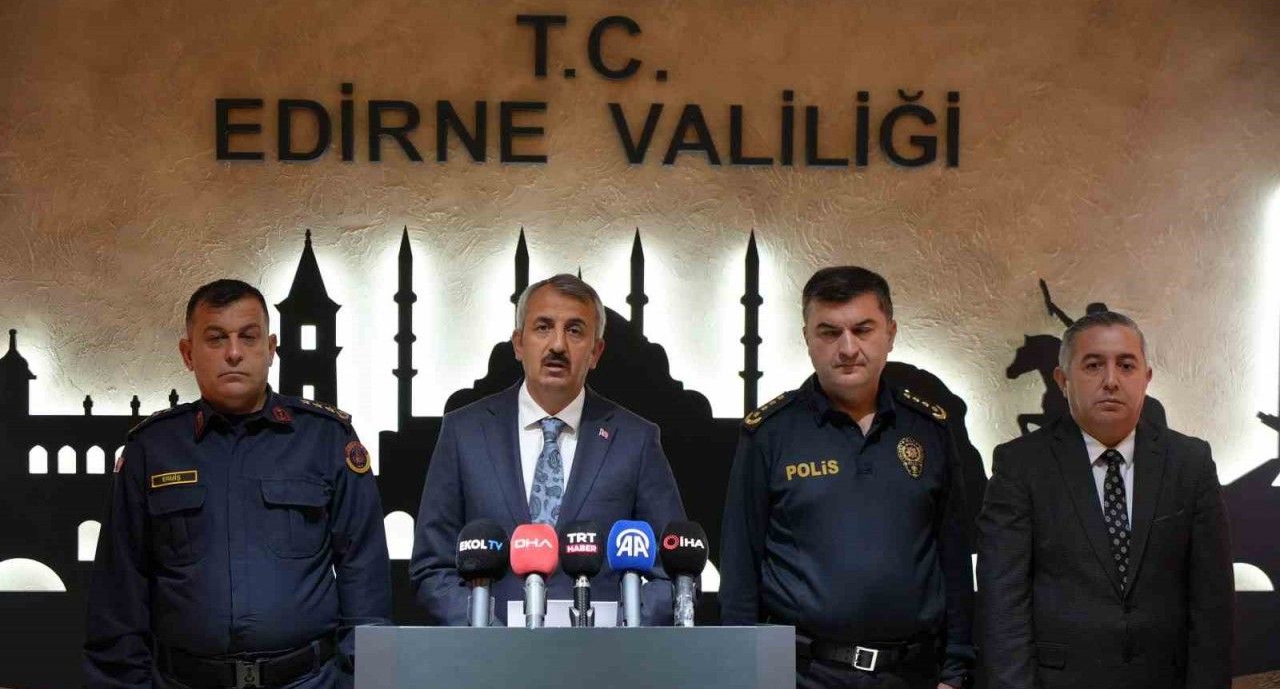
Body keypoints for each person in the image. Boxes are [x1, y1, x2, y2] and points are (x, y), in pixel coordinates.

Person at [84, 279, 391, 688]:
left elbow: (364, 579)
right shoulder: (152, 449)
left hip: (308, 681)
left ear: (271, 348)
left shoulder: (325, 439)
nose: (233, 352)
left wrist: (361, 680)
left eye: (249, 337)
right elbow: (119, 592)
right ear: (188, 354)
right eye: (216, 339)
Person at [720, 266, 974, 689]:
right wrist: (745, 674)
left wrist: (956, 671)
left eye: (862, 329)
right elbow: (740, 567)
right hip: (803, 675)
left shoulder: (929, 430)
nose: (847, 347)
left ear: (890, 333)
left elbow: (954, 559)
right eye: (829, 332)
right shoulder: (770, 434)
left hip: (913, 675)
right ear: (806, 338)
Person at [409, 273, 686, 625]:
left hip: (605, 654)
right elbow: (433, 567)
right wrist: (487, 633)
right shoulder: (464, 432)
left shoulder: (636, 440)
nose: (557, 345)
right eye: (543, 327)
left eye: (575, 331)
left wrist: (617, 635)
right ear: (518, 343)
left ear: (596, 352)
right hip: (490, 653)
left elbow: (674, 571)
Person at [978, 311, 1233, 689]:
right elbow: (1003, 604)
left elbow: (1212, 602)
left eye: (1126, 366)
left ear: (1146, 378)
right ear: (1063, 380)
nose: (1111, 380)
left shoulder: (1190, 462)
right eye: (1093, 365)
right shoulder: (1021, 465)